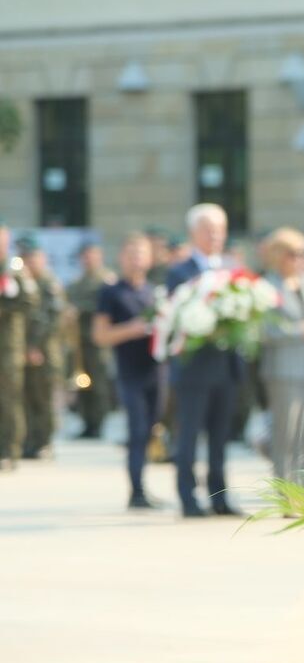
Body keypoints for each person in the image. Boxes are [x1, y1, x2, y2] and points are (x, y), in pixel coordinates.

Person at [166, 203, 242, 517]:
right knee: (189, 435)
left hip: (225, 364)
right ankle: (188, 497)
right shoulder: (179, 272)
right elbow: (176, 316)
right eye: (207, 229)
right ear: (193, 233)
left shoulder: (232, 270)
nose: (214, 236)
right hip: (194, 367)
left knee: (220, 436)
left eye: (219, 230)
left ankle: (219, 496)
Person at [260, 228, 304, 486]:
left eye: (302, 254)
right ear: (278, 255)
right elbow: (265, 330)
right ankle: (285, 493)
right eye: (293, 254)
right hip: (283, 369)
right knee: (285, 436)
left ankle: (302, 492)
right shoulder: (267, 286)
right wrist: (301, 330)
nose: (299, 259)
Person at [93, 233, 160, 509]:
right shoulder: (111, 292)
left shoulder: (154, 291)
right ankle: (136, 491)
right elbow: (100, 335)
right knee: (137, 429)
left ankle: (143, 485)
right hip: (129, 370)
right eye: (131, 253)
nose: (137, 259)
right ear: (121, 257)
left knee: (150, 431)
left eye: (142, 253)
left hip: (157, 370)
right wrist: (130, 330)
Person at [17, 236, 65, 460]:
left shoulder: (49, 283)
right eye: (24, 257)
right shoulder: (21, 282)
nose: (28, 262)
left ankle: (45, 441)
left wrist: (34, 346)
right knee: (25, 398)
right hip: (21, 350)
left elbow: (51, 319)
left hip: (45, 352)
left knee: (44, 399)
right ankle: (30, 441)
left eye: (32, 257)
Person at [65, 240, 116, 439]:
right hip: (79, 341)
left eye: (92, 255)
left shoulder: (106, 280)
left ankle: (98, 422)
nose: (88, 260)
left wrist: (81, 309)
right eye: (85, 256)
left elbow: (105, 306)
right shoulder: (77, 283)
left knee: (99, 383)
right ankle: (87, 422)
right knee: (82, 384)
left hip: (98, 340)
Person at [0, 220, 36, 472]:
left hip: (9, 346)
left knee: (10, 398)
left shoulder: (15, 268)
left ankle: (10, 450)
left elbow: (29, 301)